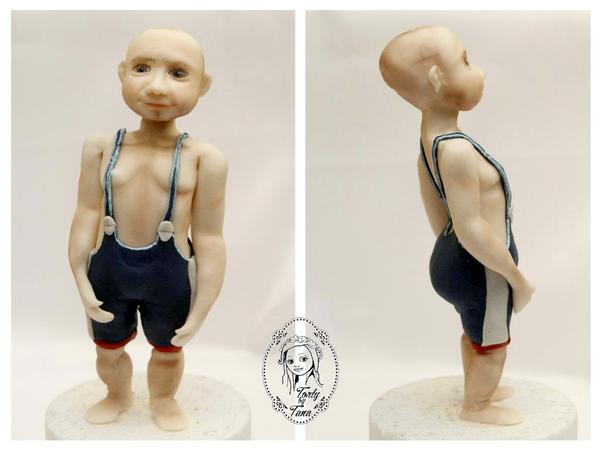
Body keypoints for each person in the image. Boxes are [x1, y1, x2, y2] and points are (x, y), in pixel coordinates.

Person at [68, 28, 228, 432]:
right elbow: (86, 212)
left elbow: (210, 238)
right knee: (107, 350)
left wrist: (202, 307)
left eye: (178, 73)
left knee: (168, 350)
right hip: (109, 269)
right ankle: (117, 394)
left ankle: (163, 399)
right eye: (142, 69)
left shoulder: (203, 159)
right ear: (122, 73)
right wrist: (80, 277)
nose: (157, 86)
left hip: (168, 273)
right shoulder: (102, 148)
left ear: (203, 85)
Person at [380, 26, 535, 425]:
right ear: (437, 79)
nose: (479, 72)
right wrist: (516, 278)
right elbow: (470, 228)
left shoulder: (430, 142)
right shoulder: (458, 151)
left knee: (475, 330)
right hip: (482, 264)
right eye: (465, 62)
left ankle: (477, 389)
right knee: (494, 345)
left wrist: (447, 253)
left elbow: (435, 208)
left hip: (454, 258)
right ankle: (477, 406)